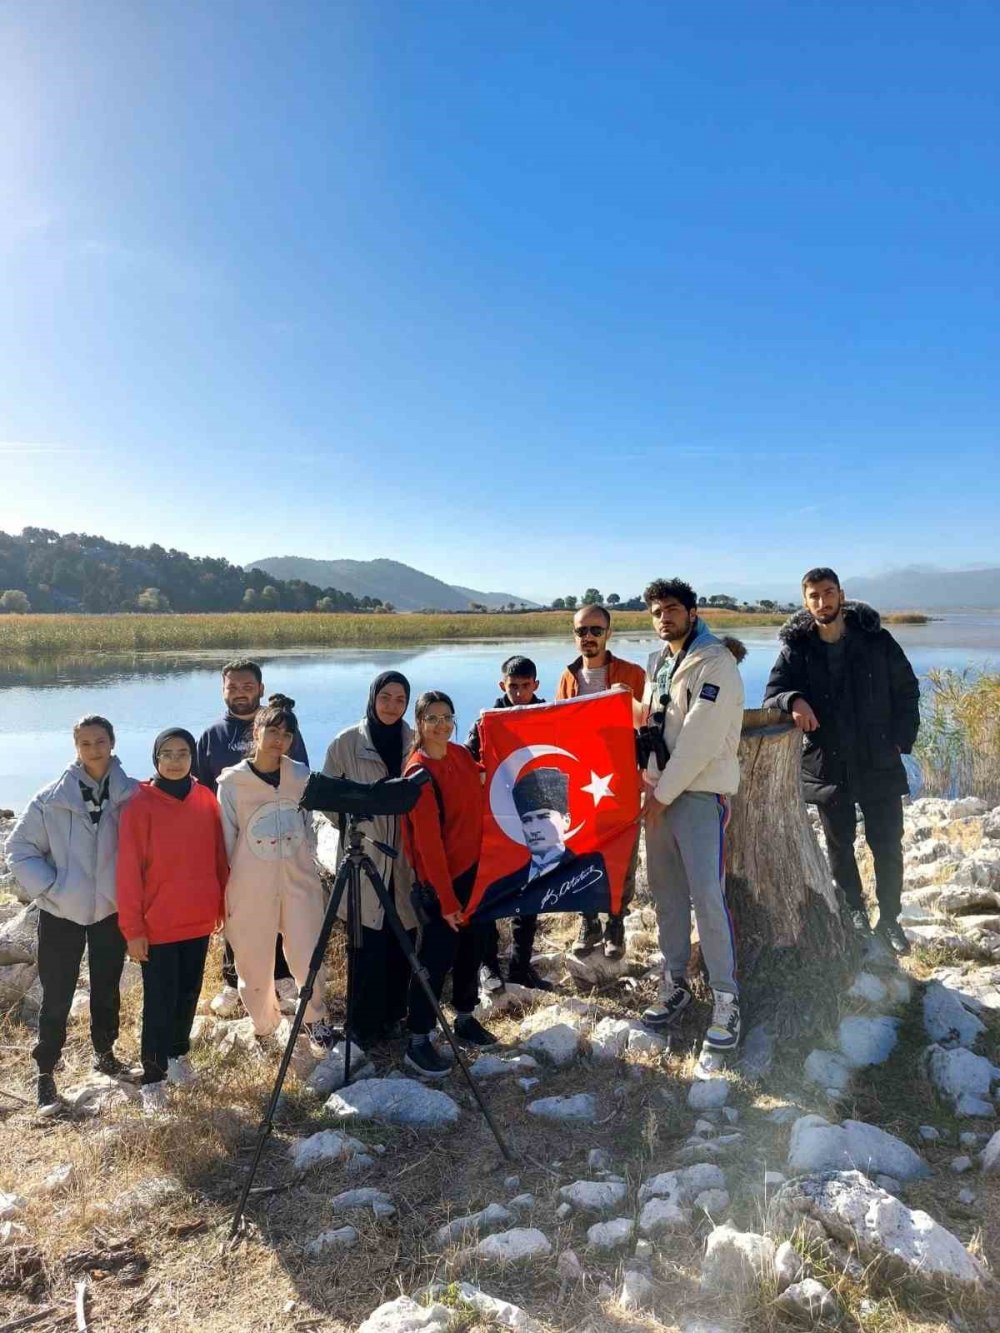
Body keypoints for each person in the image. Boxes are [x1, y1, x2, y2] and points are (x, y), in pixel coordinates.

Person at [762, 567, 920, 954]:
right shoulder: (797, 649)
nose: (822, 602)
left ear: (841, 595)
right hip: (827, 764)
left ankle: (890, 920)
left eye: (828, 593)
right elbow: (773, 693)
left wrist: (900, 740)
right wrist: (793, 700)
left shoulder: (876, 640)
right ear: (805, 601)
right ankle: (854, 914)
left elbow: (907, 689)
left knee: (887, 845)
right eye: (814, 596)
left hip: (877, 760)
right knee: (839, 845)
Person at [6, 716, 138, 1116]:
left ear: (113, 743)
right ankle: (45, 1074)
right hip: (61, 911)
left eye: (100, 741)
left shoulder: (132, 795)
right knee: (57, 994)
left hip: (110, 911)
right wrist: (51, 888)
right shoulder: (51, 798)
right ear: (75, 747)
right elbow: (19, 847)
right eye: (85, 743)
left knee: (107, 986)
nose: (94, 749)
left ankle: (105, 1052)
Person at [639, 579, 745, 1052]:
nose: (665, 617)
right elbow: (656, 724)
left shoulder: (715, 660)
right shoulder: (659, 663)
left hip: (698, 795)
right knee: (666, 895)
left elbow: (699, 740)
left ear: (692, 611)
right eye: (657, 611)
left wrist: (660, 796)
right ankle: (676, 980)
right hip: (659, 794)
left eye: (672, 609)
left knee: (707, 896)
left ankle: (726, 997)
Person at [116, 728, 228, 1114]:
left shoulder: (205, 798)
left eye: (183, 752)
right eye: (168, 753)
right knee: (159, 1003)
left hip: (198, 919)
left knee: (188, 993)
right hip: (158, 925)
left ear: (193, 757)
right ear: (156, 758)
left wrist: (222, 906)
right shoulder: (140, 805)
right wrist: (133, 930)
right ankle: (153, 1078)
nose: (176, 760)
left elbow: (218, 857)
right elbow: (128, 873)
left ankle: (179, 1056)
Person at [216, 694, 335, 1049]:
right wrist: (222, 895)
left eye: (287, 734)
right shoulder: (232, 783)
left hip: (298, 879)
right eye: (272, 730)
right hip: (249, 885)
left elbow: (318, 820)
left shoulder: (300, 776)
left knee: (307, 953)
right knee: (252, 962)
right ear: (257, 731)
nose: (279, 739)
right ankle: (265, 1025)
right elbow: (225, 842)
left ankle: (314, 1017)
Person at [194, 659, 307, 1017]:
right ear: (222, 690)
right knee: (238, 910)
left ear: (260, 688)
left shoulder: (284, 727)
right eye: (233, 687)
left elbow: (301, 780)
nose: (240, 693)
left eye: (247, 687)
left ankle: (283, 979)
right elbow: (196, 787)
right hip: (231, 837)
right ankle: (233, 981)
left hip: (278, 838)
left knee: (280, 907)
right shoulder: (212, 735)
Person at [401, 690, 498, 1078]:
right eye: (432, 719)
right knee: (435, 959)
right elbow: (429, 848)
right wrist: (445, 900)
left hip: (474, 874)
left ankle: (465, 1016)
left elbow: (485, 772)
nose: (441, 725)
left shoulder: (458, 755)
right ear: (419, 724)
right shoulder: (419, 773)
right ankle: (418, 1039)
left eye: (447, 717)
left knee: (473, 948)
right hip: (441, 883)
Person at [321, 671, 419, 1053]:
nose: (392, 706)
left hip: (407, 862)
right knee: (365, 945)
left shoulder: (417, 740)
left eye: (400, 699)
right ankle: (361, 1025)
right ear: (373, 697)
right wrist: (360, 823)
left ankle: (394, 1018)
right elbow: (327, 800)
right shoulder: (347, 743)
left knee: (403, 941)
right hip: (366, 860)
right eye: (386, 697)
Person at [555, 604, 645, 960]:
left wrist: (632, 700)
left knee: (622, 854)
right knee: (580, 850)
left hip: (620, 781)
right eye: (581, 631)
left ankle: (616, 923)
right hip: (579, 781)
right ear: (574, 634)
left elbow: (651, 723)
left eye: (595, 630)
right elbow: (557, 729)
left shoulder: (633, 673)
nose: (588, 637)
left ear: (609, 633)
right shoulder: (567, 678)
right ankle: (588, 919)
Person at [465, 655, 553, 993]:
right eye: (512, 687)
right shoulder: (487, 721)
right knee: (492, 892)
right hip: (498, 817)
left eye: (525, 686)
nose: (518, 693)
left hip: (537, 813)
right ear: (503, 685)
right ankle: (488, 965)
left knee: (531, 894)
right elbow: (470, 760)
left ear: (535, 685)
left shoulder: (550, 715)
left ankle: (520, 966)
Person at [475, 766, 608, 916]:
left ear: (566, 820)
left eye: (543, 817)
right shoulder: (503, 886)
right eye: (527, 820)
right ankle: (522, 936)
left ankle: (592, 923)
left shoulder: (590, 867)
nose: (534, 828)